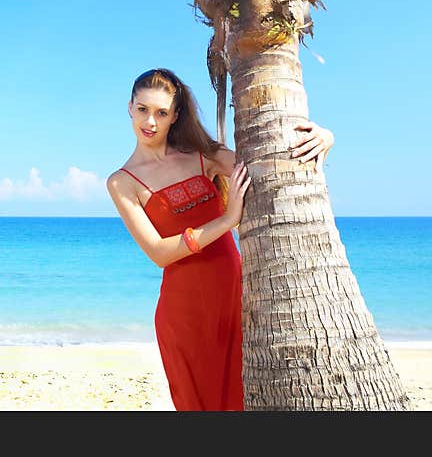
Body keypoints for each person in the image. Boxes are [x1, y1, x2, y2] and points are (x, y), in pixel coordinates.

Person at [105, 68, 334, 411]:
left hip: (236, 298)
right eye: (142, 109)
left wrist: (325, 136)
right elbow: (159, 252)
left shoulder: (204, 156)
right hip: (183, 314)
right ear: (129, 107)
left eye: (161, 113)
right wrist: (227, 220)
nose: (149, 121)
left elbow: (269, 166)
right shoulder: (122, 182)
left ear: (175, 116)